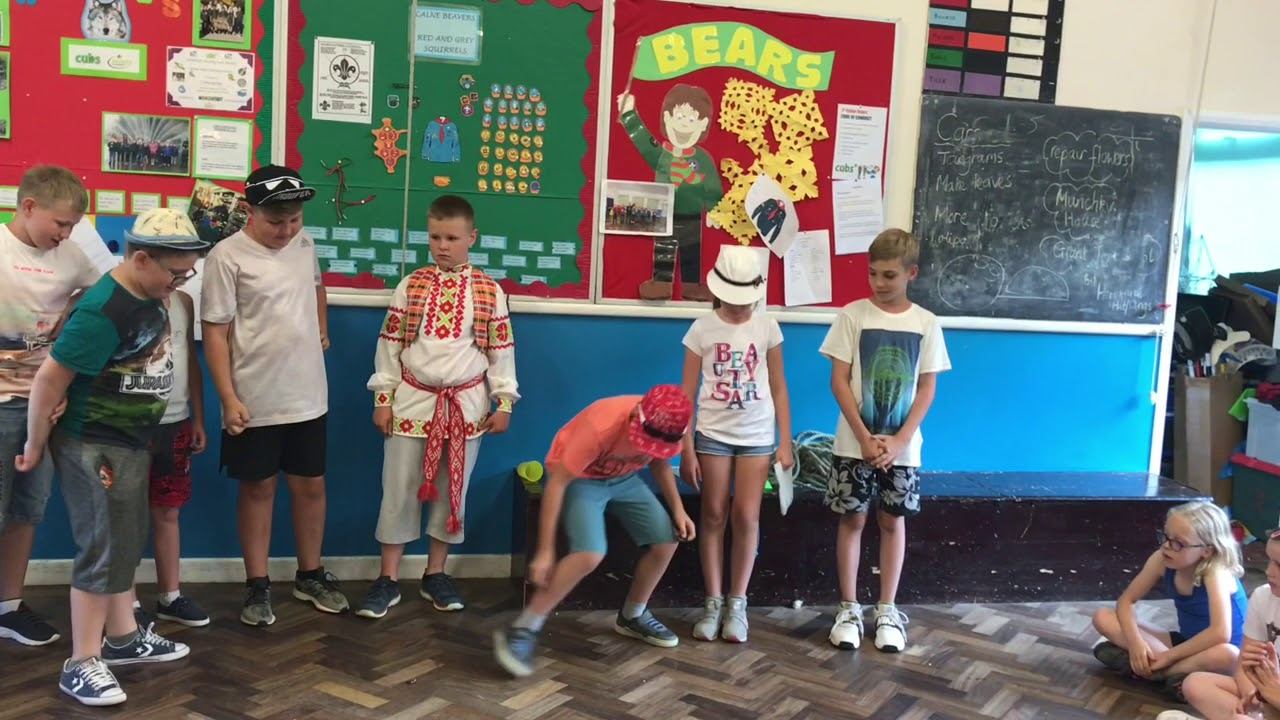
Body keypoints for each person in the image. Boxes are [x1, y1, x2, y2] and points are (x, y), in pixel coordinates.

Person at [17, 208, 207, 705]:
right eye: (175, 273)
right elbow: (49, 379)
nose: (179, 283)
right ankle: (81, 661)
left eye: (187, 274)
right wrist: (35, 445)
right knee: (103, 546)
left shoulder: (152, 295)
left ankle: (123, 638)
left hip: (129, 440)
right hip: (92, 442)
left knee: (123, 539)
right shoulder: (106, 308)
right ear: (141, 259)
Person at [201, 165, 348, 626]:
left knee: (311, 485)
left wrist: (321, 326)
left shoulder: (305, 245)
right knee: (258, 488)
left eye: (294, 220)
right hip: (254, 396)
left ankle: (310, 575)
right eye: (275, 222)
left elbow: (317, 287)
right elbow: (215, 332)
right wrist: (228, 397)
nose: (286, 231)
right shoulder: (226, 256)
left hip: (308, 393)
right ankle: (257, 584)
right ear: (250, 211)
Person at [359, 195, 518, 618]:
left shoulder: (489, 291)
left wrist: (504, 401)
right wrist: (383, 398)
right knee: (398, 490)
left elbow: (501, 351)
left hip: (465, 406)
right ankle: (388, 577)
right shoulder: (411, 286)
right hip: (412, 403)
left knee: (452, 492)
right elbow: (389, 346)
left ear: (472, 238)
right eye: (435, 237)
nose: (442, 246)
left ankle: (436, 573)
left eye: (451, 238)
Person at [493, 386, 696, 678]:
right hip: (580, 478)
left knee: (666, 540)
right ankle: (523, 629)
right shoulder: (600, 427)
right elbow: (557, 483)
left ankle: (632, 615)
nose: (648, 448)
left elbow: (660, 463)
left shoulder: (672, 428)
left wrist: (678, 510)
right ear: (635, 419)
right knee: (589, 554)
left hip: (624, 477)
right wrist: (545, 551)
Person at [820, 228, 951, 653]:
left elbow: (927, 388)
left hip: (903, 449)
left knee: (893, 521)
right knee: (852, 520)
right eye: (873, 273)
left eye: (889, 275)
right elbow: (839, 381)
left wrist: (899, 441)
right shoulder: (852, 316)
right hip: (852, 444)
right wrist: (863, 437)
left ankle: (887, 610)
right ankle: (848, 609)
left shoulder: (926, 323)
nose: (879, 282)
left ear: (911, 273)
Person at [0, 165, 99, 647]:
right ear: (28, 207)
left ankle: (8, 606)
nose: (66, 234)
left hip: (41, 404)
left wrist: (73, 310)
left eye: (73, 226)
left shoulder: (72, 257)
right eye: (60, 223)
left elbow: (106, 290)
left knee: (27, 508)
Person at [679, 245, 792, 642]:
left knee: (747, 516)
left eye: (747, 299)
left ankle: (737, 603)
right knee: (713, 514)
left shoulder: (768, 327)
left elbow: (779, 386)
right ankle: (712, 602)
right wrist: (686, 446)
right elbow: (685, 393)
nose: (741, 306)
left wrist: (785, 441)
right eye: (733, 298)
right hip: (713, 434)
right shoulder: (701, 329)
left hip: (757, 436)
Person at [1093, 500, 1247, 702]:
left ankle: (1152, 671)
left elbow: (1220, 634)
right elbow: (1126, 601)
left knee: (1228, 654)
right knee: (1103, 617)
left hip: (1221, 655)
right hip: (1186, 644)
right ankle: (1170, 674)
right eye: (1165, 536)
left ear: (1207, 551)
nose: (1166, 546)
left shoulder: (1216, 573)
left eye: (1178, 543)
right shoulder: (1161, 559)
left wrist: (1168, 657)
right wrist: (1136, 642)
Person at [138, 283, 210, 627]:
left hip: (176, 421)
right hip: (132, 425)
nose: (178, 277)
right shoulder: (121, 299)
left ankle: (170, 596)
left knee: (168, 510)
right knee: (124, 516)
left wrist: (198, 417)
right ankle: (125, 603)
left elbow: (190, 360)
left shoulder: (184, 301)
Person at [1159, 530, 1280, 720]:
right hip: (1267, 695)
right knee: (1195, 684)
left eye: (1279, 565)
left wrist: (1272, 695)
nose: (1269, 571)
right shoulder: (1262, 597)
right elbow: (1243, 666)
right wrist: (1253, 696)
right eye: (1270, 561)